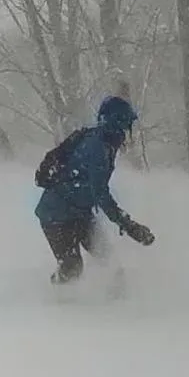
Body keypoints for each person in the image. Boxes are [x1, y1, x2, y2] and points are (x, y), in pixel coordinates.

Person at [34, 95, 156, 284]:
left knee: (110, 261)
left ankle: (119, 301)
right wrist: (129, 226)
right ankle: (56, 297)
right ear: (115, 123)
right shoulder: (97, 147)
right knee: (72, 267)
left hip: (80, 212)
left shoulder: (105, 142)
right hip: (56, 213)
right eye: (125, 125)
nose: (127, 131)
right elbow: (100, 193)